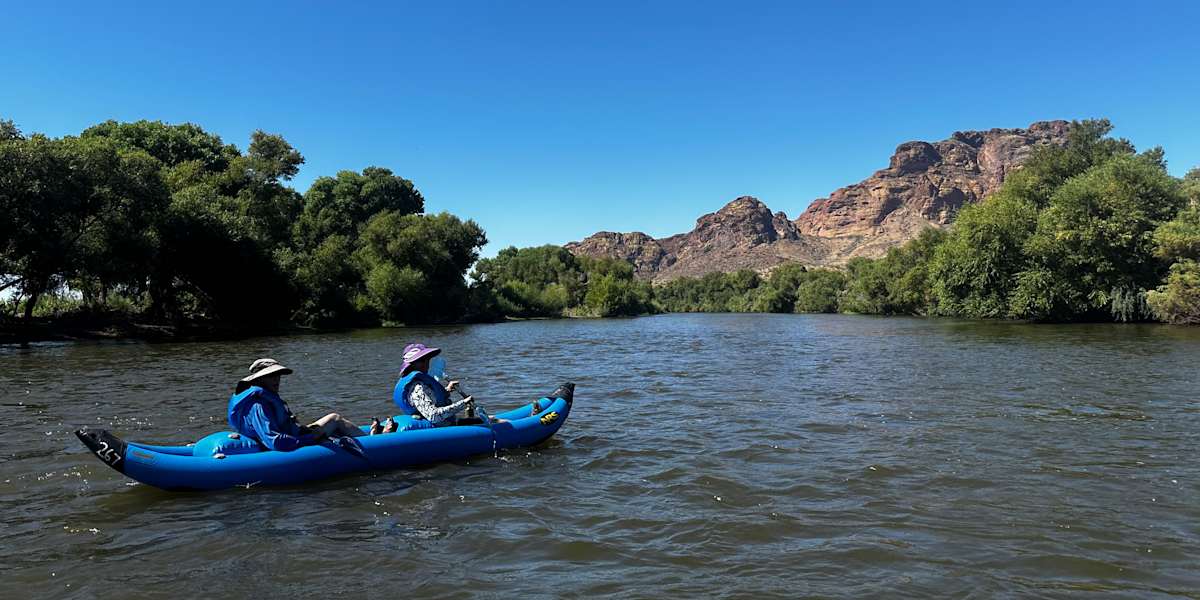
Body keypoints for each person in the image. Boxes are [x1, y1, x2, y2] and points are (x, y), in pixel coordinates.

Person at [228, 358, 366, 451]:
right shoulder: (257, 406)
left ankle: (374, 438)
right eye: (270, 376)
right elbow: (275, 442)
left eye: (277, 375)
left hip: (295, 434)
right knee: (332, 427)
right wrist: (312, 437)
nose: (277, 379)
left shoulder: (265, 398)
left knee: (334, 418)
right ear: (258, 380)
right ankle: (377, 443)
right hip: (289, 443)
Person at [394, 343, 474, 426]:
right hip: (439, 429)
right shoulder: (416, 387)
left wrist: (447, 390)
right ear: (411, 364)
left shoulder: (418, 384)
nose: (426, 363)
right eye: (421, 360)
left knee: (480, 421)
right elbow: (433, 416)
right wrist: (464, 403)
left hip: (444, 424)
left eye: (427, 360)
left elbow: (427, 397)